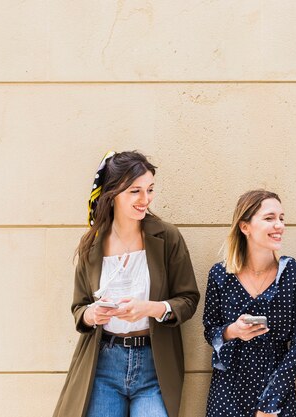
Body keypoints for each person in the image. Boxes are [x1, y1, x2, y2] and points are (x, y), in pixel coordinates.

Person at [54, 151, 200, 417]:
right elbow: (79, 307)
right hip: (103, 365)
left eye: (150, 189)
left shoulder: (167, 237)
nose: (146, 199)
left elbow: (188, 299)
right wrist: (92, 313)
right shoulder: (92, 244)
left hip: (153, 366)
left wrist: (149, 309)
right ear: (113, 193)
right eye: (135, 191)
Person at [203, 190, 296, 417]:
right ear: (245, 227)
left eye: (282, 218)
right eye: (269, 218)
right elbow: (210, 330)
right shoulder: (220, 274)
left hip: (277, 390)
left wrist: (270, 403)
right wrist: (232, 331)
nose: (279, 225)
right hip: (227, 392)